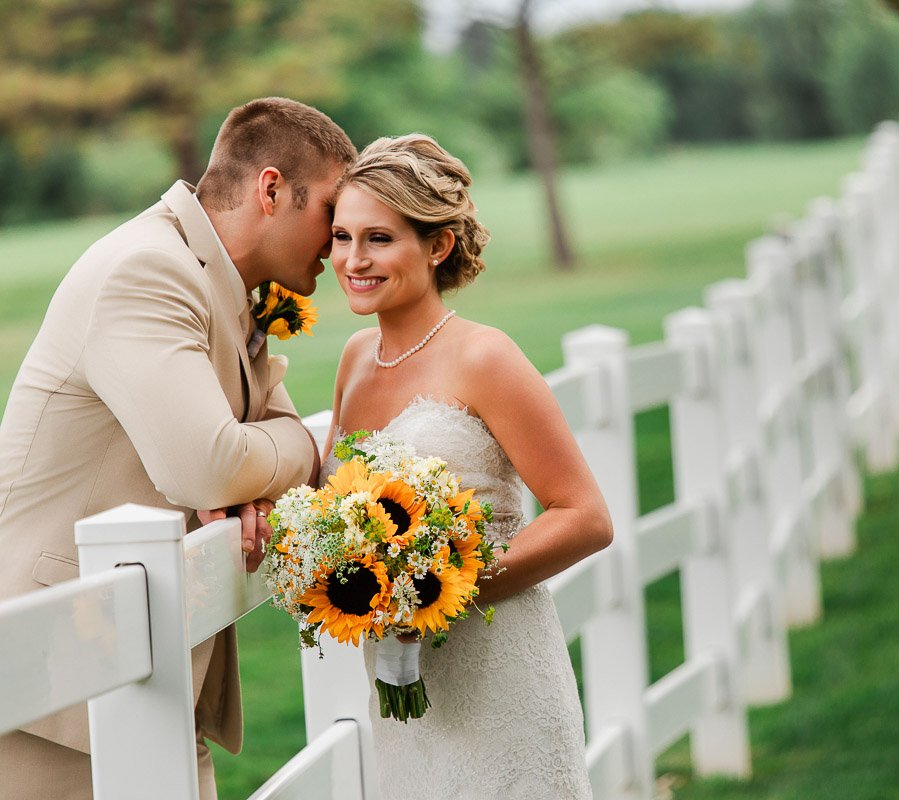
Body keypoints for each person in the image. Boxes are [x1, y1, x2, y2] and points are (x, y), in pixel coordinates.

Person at [0, 97, 356, 800]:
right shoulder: (148, 270)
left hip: (136, 660)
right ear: (273, 189)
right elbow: (208, 464)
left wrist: (266, 461)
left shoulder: (226, 282)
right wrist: (279, 459)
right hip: (55, 678)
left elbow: (263, 441)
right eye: (334, 213)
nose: (342, 236)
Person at [325, 134, 612, 799]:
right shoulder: (354, 359)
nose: (353, 260)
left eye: (378, 239)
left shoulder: (485, 357)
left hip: (499, 677)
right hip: (403, 699)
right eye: (341, 237)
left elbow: (586, 517)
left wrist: (440, 590)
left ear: (437, 245)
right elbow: (330, 498)